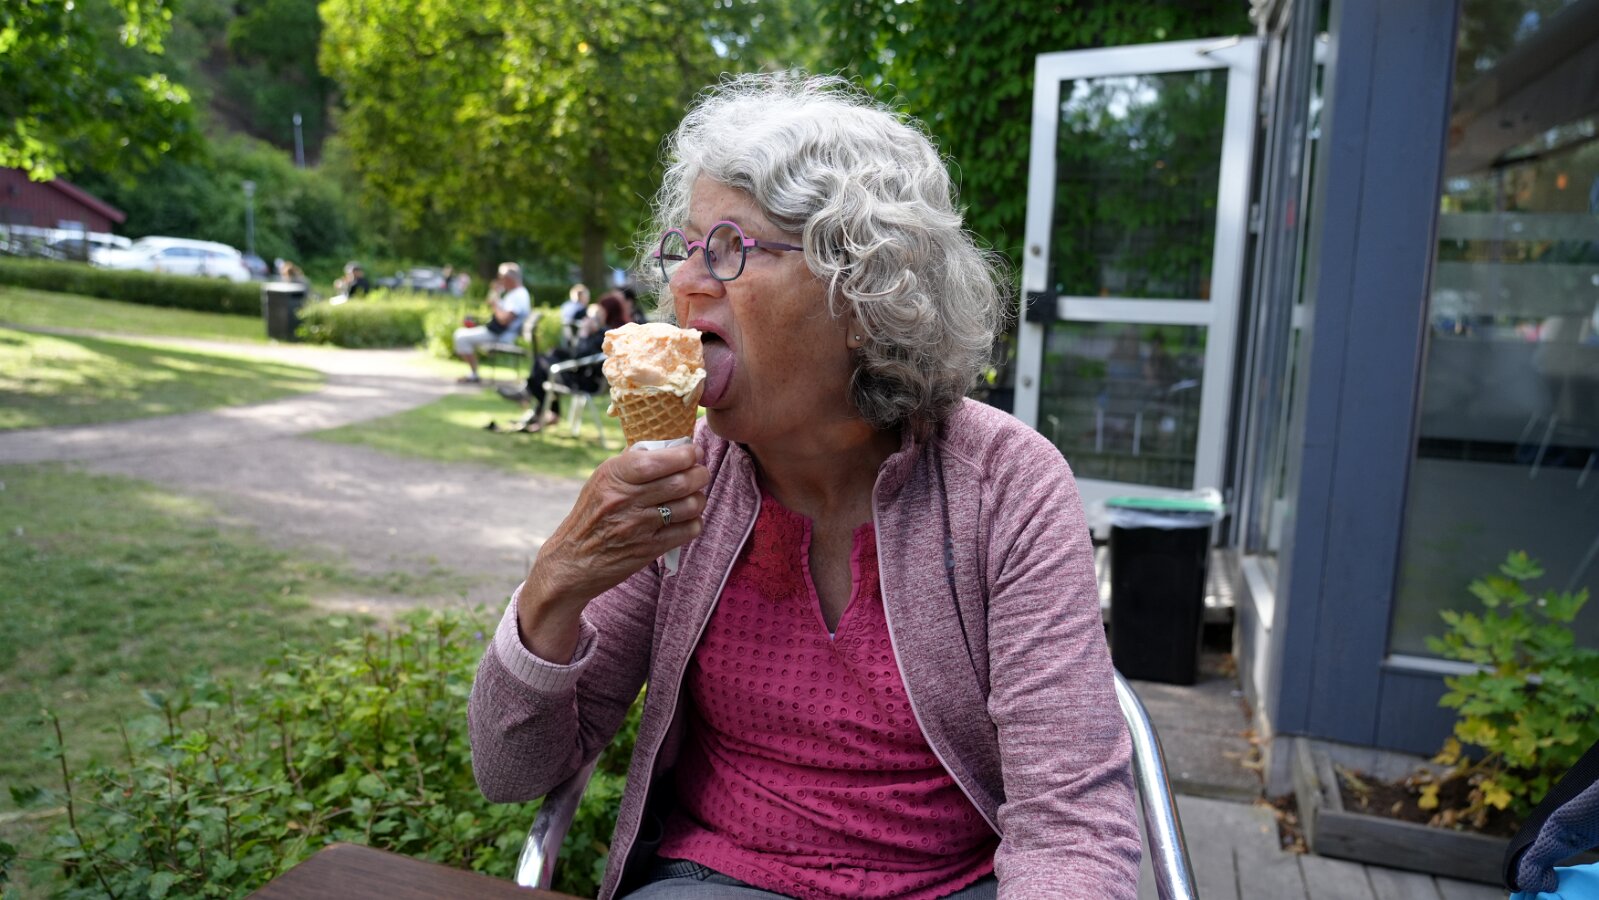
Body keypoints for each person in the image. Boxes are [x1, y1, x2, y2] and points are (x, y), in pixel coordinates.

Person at [468, 74, 1141, 899]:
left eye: (730, 248)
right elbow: (511, 770)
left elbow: (1071, 830)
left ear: (864, 293)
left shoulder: (1005, 486)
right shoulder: (685, 480)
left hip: (952, 885)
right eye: (684, 247)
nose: (686, 284)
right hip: (718, 880)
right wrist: (555, 584)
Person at [494, 292, 628, 433]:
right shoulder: (612, 332)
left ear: (608, 312)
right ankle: (542, 408)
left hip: (586, 381)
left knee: (541, 369)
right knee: (547, 360)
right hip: (584, 375)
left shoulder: (607, 334)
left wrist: (583, 334)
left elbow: (580, 356)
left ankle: (535, 402)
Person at [453, 262, 532, 384]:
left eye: (502, 278)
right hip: (498, 332)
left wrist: (495, 303)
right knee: (462, 333)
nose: (500, 281)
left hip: (502, 335)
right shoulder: (515, 294)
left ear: (509, 279)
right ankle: (473, 373)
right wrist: (496, 296)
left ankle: (474, 374)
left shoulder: (519, 295)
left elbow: (504, 320)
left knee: (460, 336)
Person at [559, 283, 592, 348]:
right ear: (581, 296)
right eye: (587, 296)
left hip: (566, 342)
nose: (588, 299)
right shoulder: (581, 309)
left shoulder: (564, 306)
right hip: (581, 343)